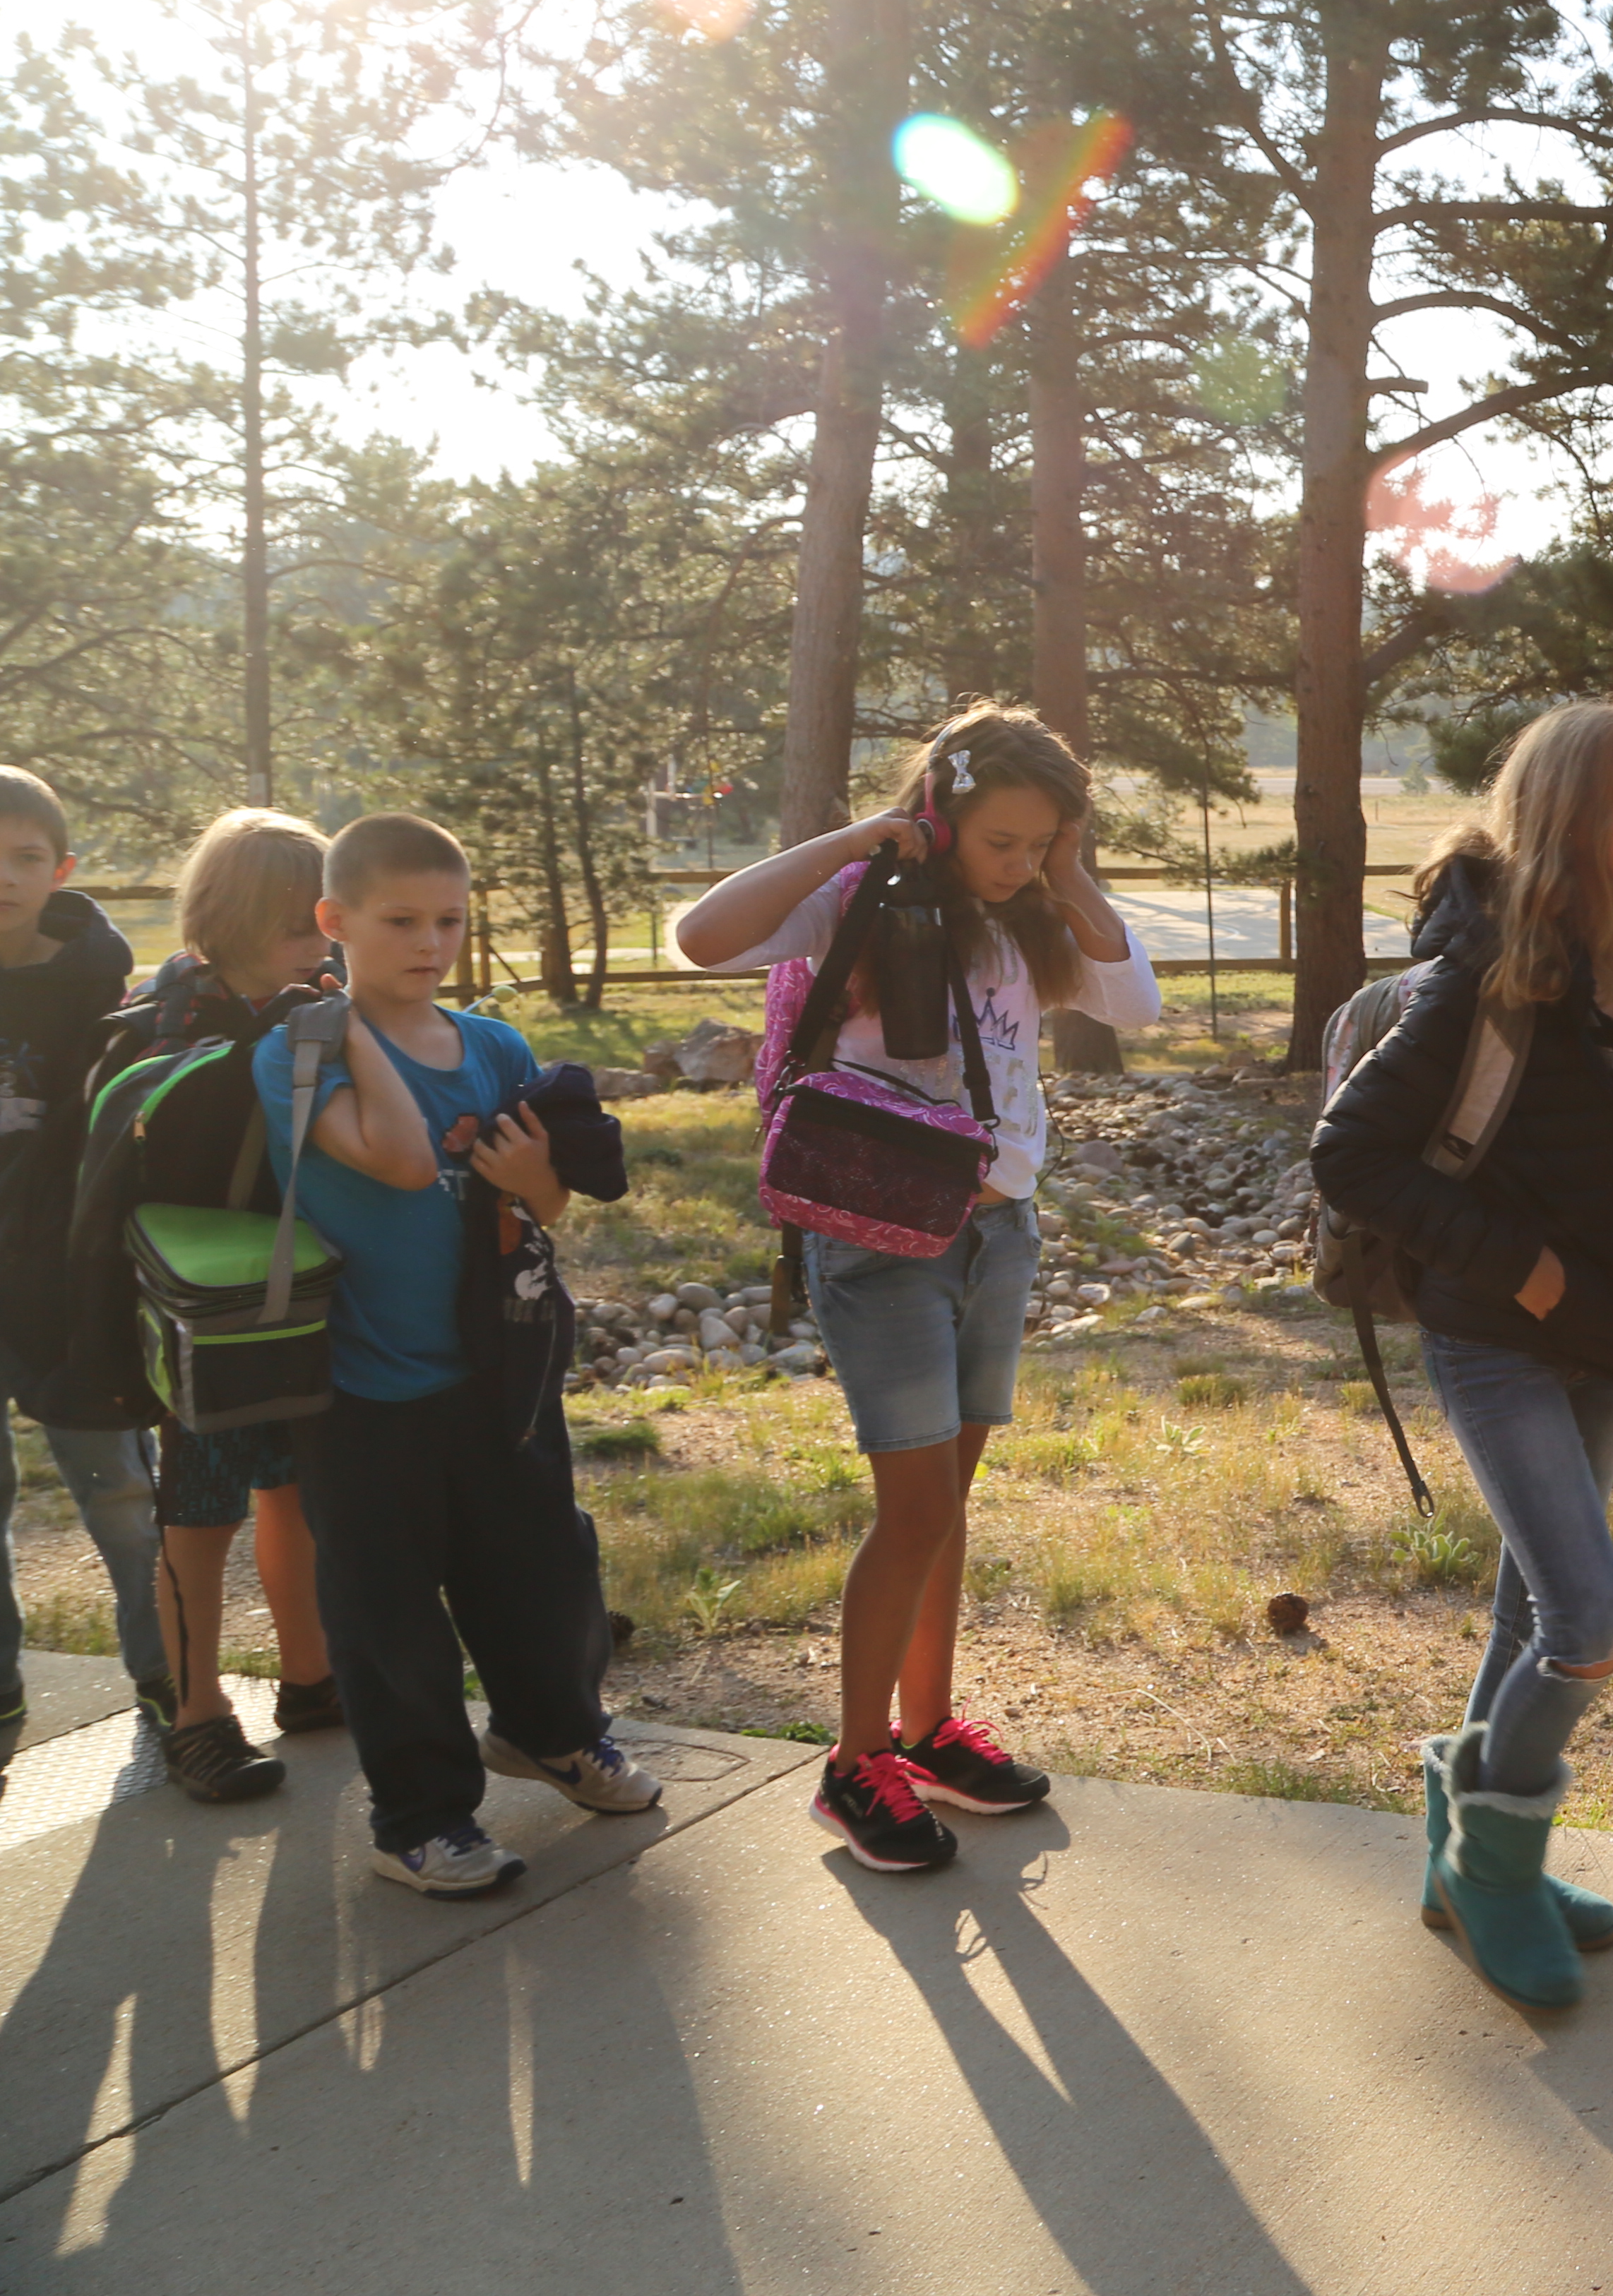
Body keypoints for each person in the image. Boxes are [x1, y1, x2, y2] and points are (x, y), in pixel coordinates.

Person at [675, 705, 1159, 1875]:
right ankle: (852, 1767)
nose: (1023, 863)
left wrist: (1070, 873)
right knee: (914, 1510)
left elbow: (1133, 1006)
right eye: (1004, 840)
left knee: (948, 1501)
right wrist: (857, 841)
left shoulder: (1029, 919)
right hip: (884, 1240)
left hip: (1000, 1234)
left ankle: (929, 1728)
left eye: (1042, 841)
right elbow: (702, 935)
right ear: (940, 817)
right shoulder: (862, 899)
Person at [1309, 701, 1613, 2011]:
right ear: (1567, 823)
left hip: (1600, 1333)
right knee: (1590, 1628)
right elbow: (1350, 1155)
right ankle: (1497, 1870)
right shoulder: (1483, 977)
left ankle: (1467, 1860)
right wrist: (1522, 1270)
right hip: (1498, 1337)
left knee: (1527, 1611)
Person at [275, 812, 660, 1896]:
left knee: (543, 1575)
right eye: (400, 921)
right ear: (333, 921)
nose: (429, 943)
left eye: (449, 920)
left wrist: (536, 1177)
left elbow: (541, 1208)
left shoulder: (494, 1048)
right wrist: (348, 1021)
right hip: (357, 1387)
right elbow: (401, 1160)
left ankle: (553, 1733)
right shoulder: (297, 1051)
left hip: (499, 1375)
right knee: (390, 1615)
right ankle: (421, 1819)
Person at [94, 809, 345, 1802]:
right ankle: (195, 1712)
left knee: (293, 1492)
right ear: (231, 923)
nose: (321, 940)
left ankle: (312, 1674)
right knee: (199, 1516)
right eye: (299, 925)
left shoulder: (317, 1007)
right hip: (199, 1315)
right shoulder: (167, 1029)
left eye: (327, 921)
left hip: (293, 1300)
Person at [0, 763, 170, 1740]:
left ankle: (165, 1676)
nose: (8, 875)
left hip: (69, 1287)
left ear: (61, 870)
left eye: (28, 857)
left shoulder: (97, 993)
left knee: (120, 1496)